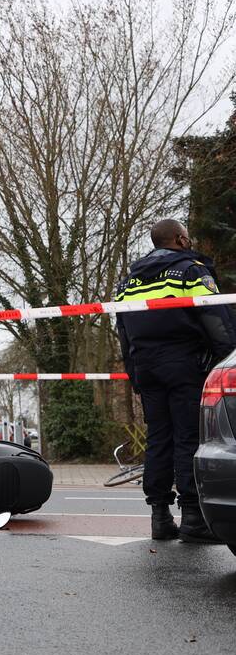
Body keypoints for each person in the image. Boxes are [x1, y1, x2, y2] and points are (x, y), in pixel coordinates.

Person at [115, 219, 236, 543]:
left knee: (158, 439)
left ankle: (160, 517)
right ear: (181, 239)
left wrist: (135, 375)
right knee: (187, 438)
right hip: (184, 363)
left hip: (146, 366)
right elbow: (215, 318)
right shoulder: (191, 270)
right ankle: (194, 519)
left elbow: (123, 333)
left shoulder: (129, 281)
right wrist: (226, 361)